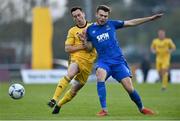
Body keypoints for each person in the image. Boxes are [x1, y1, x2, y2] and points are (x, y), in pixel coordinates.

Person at [78, 5, 163, 116]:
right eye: (101, 15)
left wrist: (150, 18)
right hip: (104, 62)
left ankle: (142, 108)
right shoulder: (90, 30)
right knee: (100, 74)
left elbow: (131, 23)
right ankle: (104, 110)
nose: (103, 18)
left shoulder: (112, 24)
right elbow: (89, 48)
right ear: (96, 14)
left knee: (130, 88)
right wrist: (84, 42)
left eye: (105, 16)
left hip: (118, 62)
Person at [47, 6, 96, 114]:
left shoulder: (93, 27)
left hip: (88, 64)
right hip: (76, 59)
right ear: (73, 19)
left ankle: (59, 105)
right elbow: (67, 48)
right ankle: (54, 99)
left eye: (79, 15)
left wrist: (86, 43)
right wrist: (83, 46)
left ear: (83, 14)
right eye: (75, 17)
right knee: (70, 74)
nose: (77, 18)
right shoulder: (72, 31)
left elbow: (92, 46)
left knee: (74, 90)